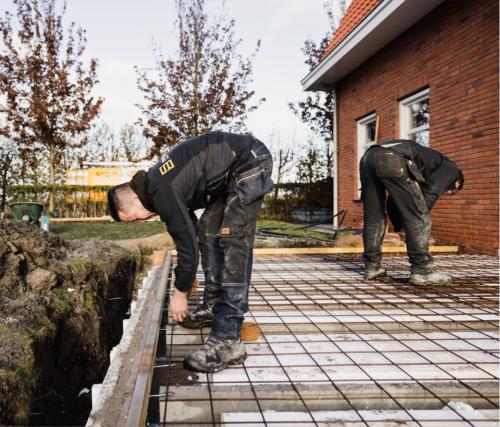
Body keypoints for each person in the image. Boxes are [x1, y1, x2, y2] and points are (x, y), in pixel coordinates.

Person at [107, 131, 273, 372]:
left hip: (248, 161)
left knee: (232, 239)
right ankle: (214, 307)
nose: (141, 221)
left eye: (134, 218)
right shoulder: (157, 185)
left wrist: (180, 293)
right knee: (207, 231)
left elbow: (187, 248)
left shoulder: (161, 189)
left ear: (134, 197)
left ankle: (228, 340)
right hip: (229, 175)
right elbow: (192, 234)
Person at [359, 139, 464, 285]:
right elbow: (428, 196)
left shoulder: (427, 164)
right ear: (457, 183)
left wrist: (401, 228)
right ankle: (423, 271)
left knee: (373, 217)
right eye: (449, 191)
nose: (446, 192)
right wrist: (414, 227)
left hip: (368, 157)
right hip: (393, 157)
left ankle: (372, 267)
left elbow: (393, 202)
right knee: (420, 214)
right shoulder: (452, 171)